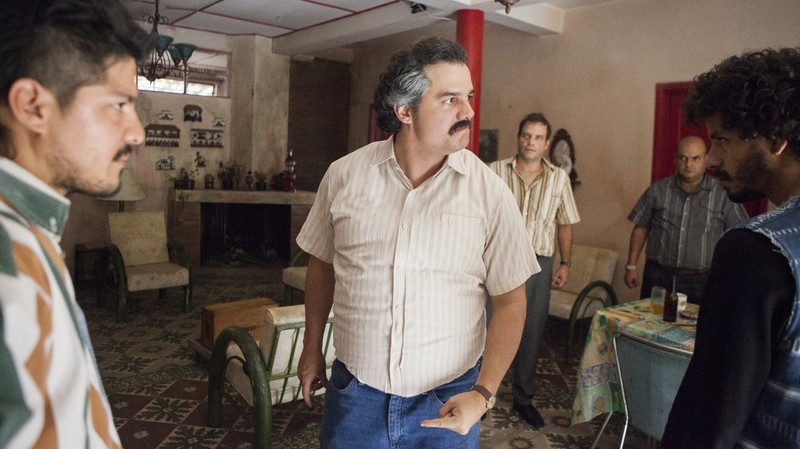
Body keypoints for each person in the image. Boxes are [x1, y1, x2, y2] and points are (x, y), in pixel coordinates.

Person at [296, 37, 540, 449]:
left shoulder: (490, 193)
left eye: (468, 97)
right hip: (356, 397)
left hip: (449, 401)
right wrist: (311, 347)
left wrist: (483, 393)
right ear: (405, 111)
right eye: (450, 99)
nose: (469, 111)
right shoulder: (343, 177)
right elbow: (322, 264)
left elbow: (512, 301)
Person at [0, 1, 151, 447]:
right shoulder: (9, 260)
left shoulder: (30, 233)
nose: (137, 133)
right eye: (118, 105)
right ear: (32, 106)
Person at [661, 47, 800, 448]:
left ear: (777, 139)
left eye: (721, 140)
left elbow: (709, 418)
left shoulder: (756, 251)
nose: (711, 159)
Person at [488, 112, 581, 428]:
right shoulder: (494, 172)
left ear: (547, 143)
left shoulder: (559, 178)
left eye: (538, 137)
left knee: (531, 331)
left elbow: (565, 223)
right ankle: (483, 394)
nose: (531, 142)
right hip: (498, 259)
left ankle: (523, 399)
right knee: (489, 328)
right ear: (519, 138)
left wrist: (565, 263)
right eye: (527, 135)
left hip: (538, 264)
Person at [624, 135, 747, 303]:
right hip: (658, 277)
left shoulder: (723, 194)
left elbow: (739, 236)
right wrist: (631, 265)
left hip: (701, 281)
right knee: (649, 319)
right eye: (683, 158)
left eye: (695, 158)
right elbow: (641, 227)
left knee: (698, 321)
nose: (688, 164)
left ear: (705, 160)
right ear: (675, 160)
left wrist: (732, 275)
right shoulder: (657, 191)